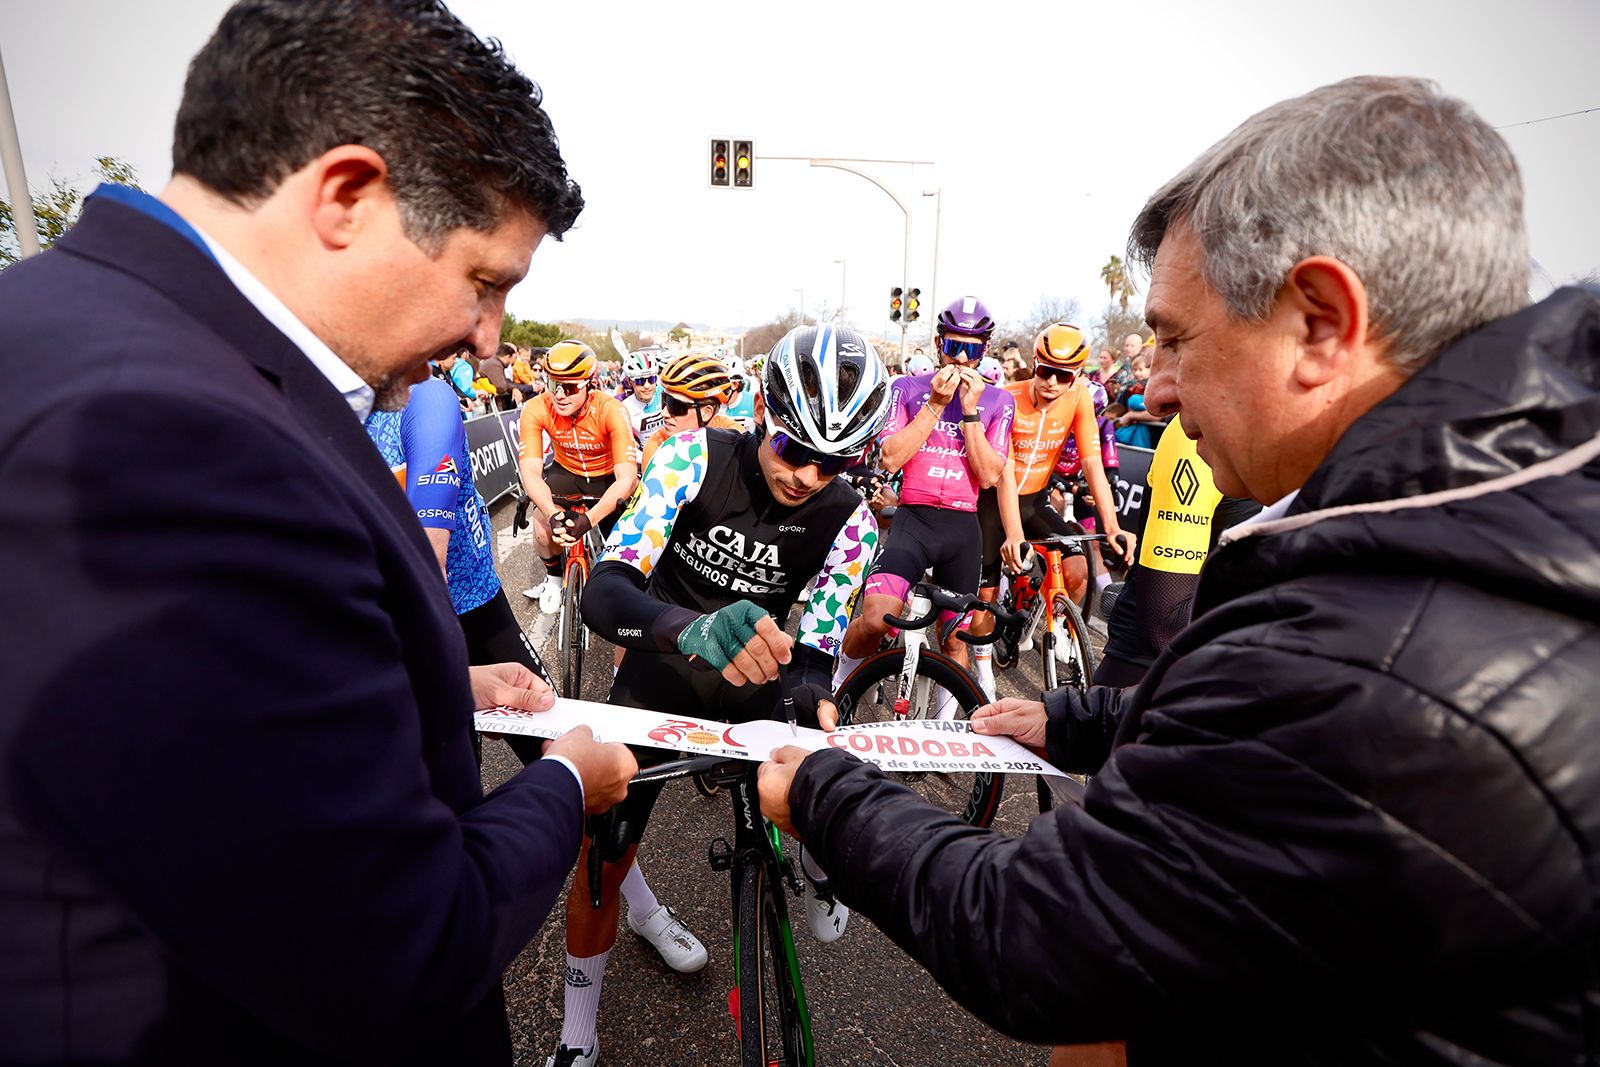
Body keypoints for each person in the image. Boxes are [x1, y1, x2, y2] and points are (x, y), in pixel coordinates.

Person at [758, 75, 1599, 1063]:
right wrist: (1070, 717)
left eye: (1171, 338)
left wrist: (825, 789)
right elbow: (1289, 739)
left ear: (1321, 322)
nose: (1152, 388)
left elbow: (1043, 935)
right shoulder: (1502, 504)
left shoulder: (1361, 649)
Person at [0, 2, 641, 1063]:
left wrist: (428, 683)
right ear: (346, 196)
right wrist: (567, 780)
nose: (486, 341)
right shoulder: (183, 438)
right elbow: (400, 944)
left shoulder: (64, 323)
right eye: (485, 284)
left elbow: (186, 733)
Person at [544, 325, 892, 1067]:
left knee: (814, 765)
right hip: (660, 673)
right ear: (764, 411)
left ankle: (819, 867)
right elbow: (606, 592)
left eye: (831, 464)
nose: (805, 475)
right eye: (795, 448)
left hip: (754, 687)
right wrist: (688, 626)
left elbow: (816, 650)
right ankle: (577, 1038)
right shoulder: (692, 455)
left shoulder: (850, 520)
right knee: (601, 861)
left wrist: (810, 696)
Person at [366, 376, 557, 764]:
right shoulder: (313, 408)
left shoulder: (425, 397)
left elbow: (426, 563)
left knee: (555, 740)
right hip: (395, 619)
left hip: (472, 603)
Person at [832, 295, 1015, 702]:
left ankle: (943, 728)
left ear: (985, 350)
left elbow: (988, 476)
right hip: (913, 520)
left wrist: (969, 413)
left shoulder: (999, 401)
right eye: (954, 346)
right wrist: (935, 404)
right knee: (878, 619)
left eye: (973, 349)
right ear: (938, 343)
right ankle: (840, 679)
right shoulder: (908, 388)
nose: (963, 359)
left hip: (961, 528)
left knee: (953, 642)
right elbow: (890, 457)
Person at [969, 323, 1136, 697]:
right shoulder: (1006, 396)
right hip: (995, 504)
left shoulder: (1077, 399)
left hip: (1036, 500)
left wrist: (1112, 526)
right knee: (985, 599)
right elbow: (1006, 472)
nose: (1052, 383)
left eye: (1063, 376)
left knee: (1076, 568)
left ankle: (1042, 612)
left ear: (1076, 376)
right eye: (1045, 371)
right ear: (1034, 362)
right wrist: (1013, 536)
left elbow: (1093, 462)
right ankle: (983, 671)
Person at [516, 340, 639, 613]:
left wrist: (589, 520)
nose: (559, 394)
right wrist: (550, 513)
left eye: (569, 387)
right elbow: (531, 471)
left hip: (607, 476)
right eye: (552, 384)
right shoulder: (536, 409)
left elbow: (627, 478)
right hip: (566, 471)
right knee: (541, 527)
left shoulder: (611, 410)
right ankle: (554, 578)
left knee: (625, 543)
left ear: (589, 383)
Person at [637, 350, 744, 468]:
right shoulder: (656, 443)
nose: (664, 412)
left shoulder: (730, 432)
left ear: (706, 413)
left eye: (675, 406)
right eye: (664, 401)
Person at [618, 348, 663, 440]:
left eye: (651, 379)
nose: (647, 386)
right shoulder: (625, 407)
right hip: (644, 452)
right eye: (640, 381)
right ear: (630, 382)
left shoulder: (665, 394)